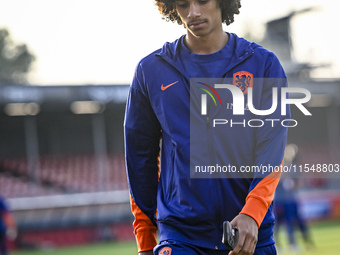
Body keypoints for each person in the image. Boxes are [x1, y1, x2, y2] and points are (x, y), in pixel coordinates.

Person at [124, 0, 290, 254]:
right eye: (182, 4)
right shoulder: (151, 71)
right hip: (181, 238)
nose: (193, 13)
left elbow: (271, 149)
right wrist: (146, 241)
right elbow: (139, 160)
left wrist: (252, 214)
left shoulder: (263, 65)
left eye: (202, 1)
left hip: (250, 235)